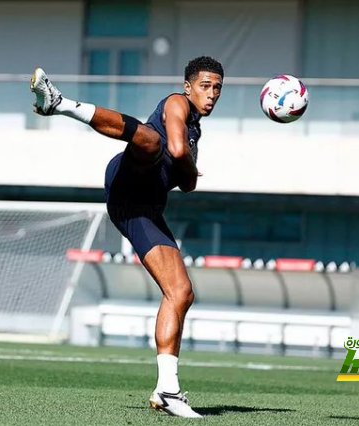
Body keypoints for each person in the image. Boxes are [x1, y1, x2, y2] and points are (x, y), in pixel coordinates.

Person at [30, 56, 223, 418]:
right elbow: (180, 158)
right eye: (205, 86)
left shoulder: (196, 130)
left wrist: (189, 168)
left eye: (217, 88)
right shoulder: (176, 103)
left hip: (144, 210)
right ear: (188, 87)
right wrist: (188, 165)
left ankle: (167, 390)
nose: (211, 94)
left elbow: (188, 182)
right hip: (128, 183)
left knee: (181, 292)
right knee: (151, 143)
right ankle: (59, 103)